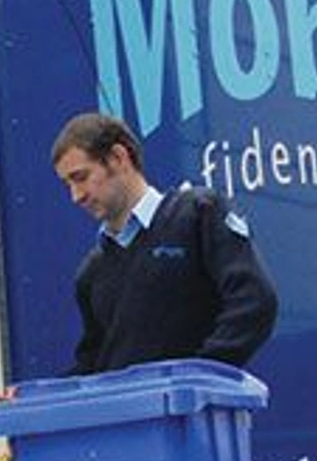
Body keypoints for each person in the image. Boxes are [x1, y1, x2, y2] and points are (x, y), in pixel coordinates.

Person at [51, 111, 277, 375]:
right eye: (67, 184)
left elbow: (254, 301)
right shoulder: (91, 273)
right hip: (128, 414)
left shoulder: (197, 214)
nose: (76, 196)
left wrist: (197, 375)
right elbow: (92, 363)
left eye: (80, 178)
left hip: (192, 412)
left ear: (118, 158)